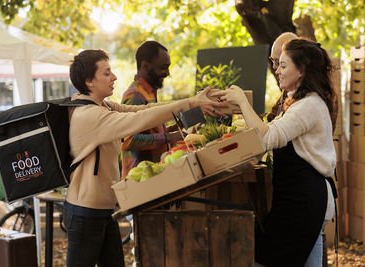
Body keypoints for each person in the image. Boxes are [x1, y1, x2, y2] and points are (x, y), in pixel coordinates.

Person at [63, 49, 225, 267]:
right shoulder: (89, 116)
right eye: (107, 73)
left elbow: (147, 109)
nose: (114, 77)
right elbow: (140, 119)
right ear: (89, 81)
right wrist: (190, 104)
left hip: (103, 210)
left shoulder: (104, 106)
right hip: (85, 213)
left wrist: (191, 101)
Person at [212, 39, 337, 267]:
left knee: (264, 255)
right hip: (297, 199)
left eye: (283, 65)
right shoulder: (298, 101)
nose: (277, 70)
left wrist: (242, 102)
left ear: (301, 70)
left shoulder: (309, 105)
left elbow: (267, 136)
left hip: (304, 202)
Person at [120, 41, 183, 178]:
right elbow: (129, 141)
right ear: (145, 66)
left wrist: (174, 129)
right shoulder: (135, 95)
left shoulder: (148, 92)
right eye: (163, 67)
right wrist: (169, 137)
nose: (167, 73)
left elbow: (149, 131)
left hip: (153, 173)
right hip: (139, 179)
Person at [266, 32, 298, 122]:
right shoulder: (288, 91)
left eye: (279, 63)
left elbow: (275, 132)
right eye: (272, 61)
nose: (275, 69)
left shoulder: (307, 100)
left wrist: (243, 103)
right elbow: (271, 117)